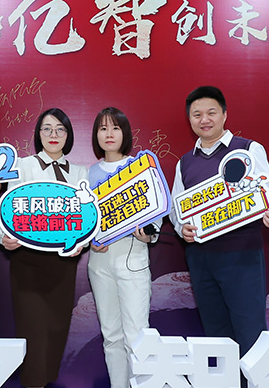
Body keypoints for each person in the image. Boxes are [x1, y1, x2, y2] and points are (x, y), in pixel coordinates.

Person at [169, 86, 269, 386]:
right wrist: (182, 228)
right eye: (197, 114)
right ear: (189, 120)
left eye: (211, 112)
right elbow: (176, 210)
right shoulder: (185, 162)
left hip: (241, 256)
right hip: (201, 260)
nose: (204, 119)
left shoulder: (248, 150)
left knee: (250, 333)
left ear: (224, 114)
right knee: (217, 336)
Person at [0, 108, 88, 388]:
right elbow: (8, 212)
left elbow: (86, 220)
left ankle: (46, 381)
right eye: (47, 129)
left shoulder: (80, 172)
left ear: (68, 135)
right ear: (38, 134)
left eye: (60, 129)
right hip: (28, 261)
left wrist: (81, 243)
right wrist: (3, 238)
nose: (53, 134)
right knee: (32, 329)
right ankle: (33, 383)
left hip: (63, 263)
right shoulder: (23, 166)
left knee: (57, 328)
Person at [87, 107, 160, 388]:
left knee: (137, 335)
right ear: (96, 135)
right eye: (103, 128)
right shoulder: (89, 173)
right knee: (111, 335)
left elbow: (156, 211)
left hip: (133, 256)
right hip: (99, 261)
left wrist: (148, 236)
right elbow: (80, 221)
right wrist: (89, 240)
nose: (109, 134)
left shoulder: (139, 167)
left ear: (125, 133)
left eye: (115, 128)